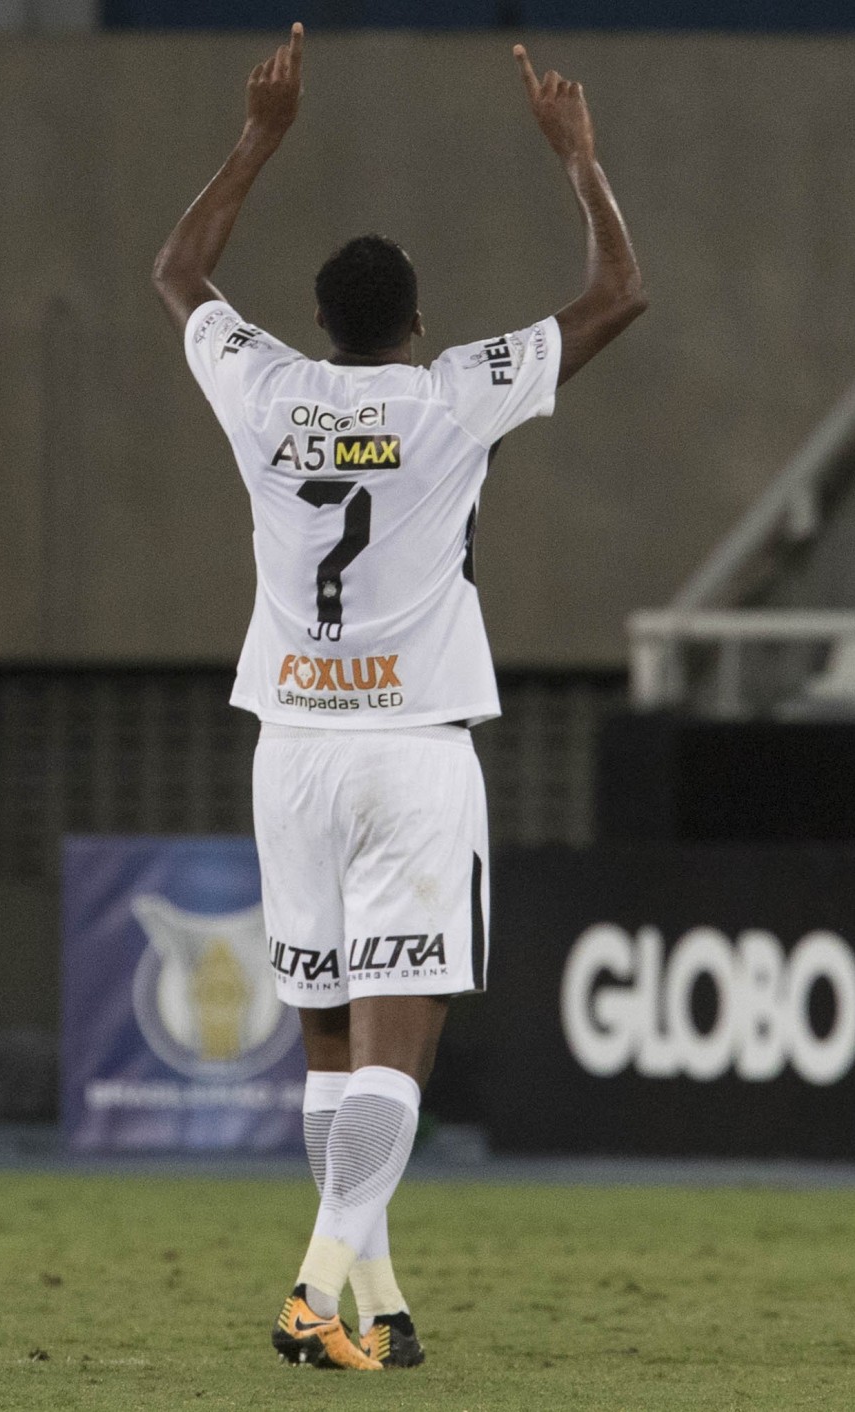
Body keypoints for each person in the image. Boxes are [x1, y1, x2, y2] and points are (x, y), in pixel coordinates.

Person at [153, 22, 645, 1372]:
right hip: (411, 756)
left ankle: (378, 1297)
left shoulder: (263, 393)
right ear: (414, 323)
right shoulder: (447, 400)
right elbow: (616, 294)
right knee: (393, 1054)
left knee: (324, 1046)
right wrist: (579, 160)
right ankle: (315, 1286)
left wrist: (260, 135)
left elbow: (178, 270)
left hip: (290, 755)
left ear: (318, 324)